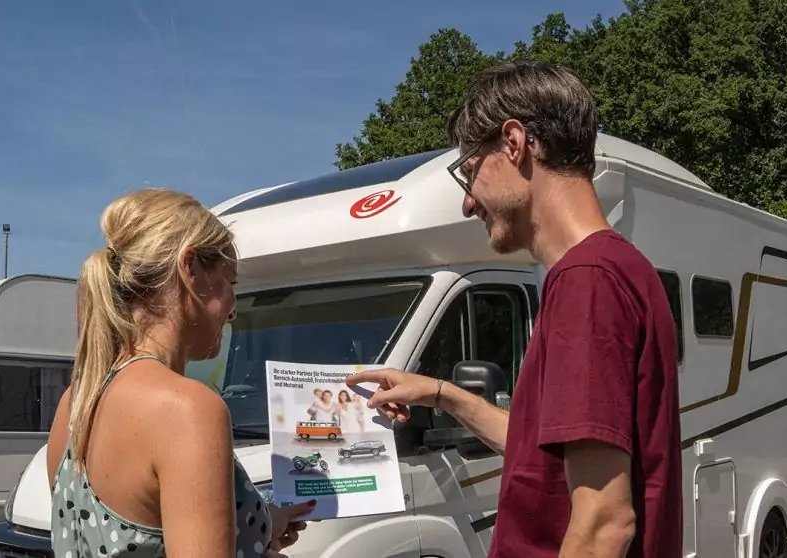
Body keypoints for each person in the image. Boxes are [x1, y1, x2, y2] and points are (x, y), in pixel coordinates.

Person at [346, 62, 682, 557]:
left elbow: (604, 524)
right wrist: (440, 395)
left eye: (468, 171)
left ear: (514, 143)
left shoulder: (586, 282)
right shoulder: (617, 268)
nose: (467, 204)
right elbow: (539, 453)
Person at [46, 188, 313, 557]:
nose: (233, 309)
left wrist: (265, 521)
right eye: (231, 283)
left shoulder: (74, 404)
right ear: (190, 269)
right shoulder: (187, 409)